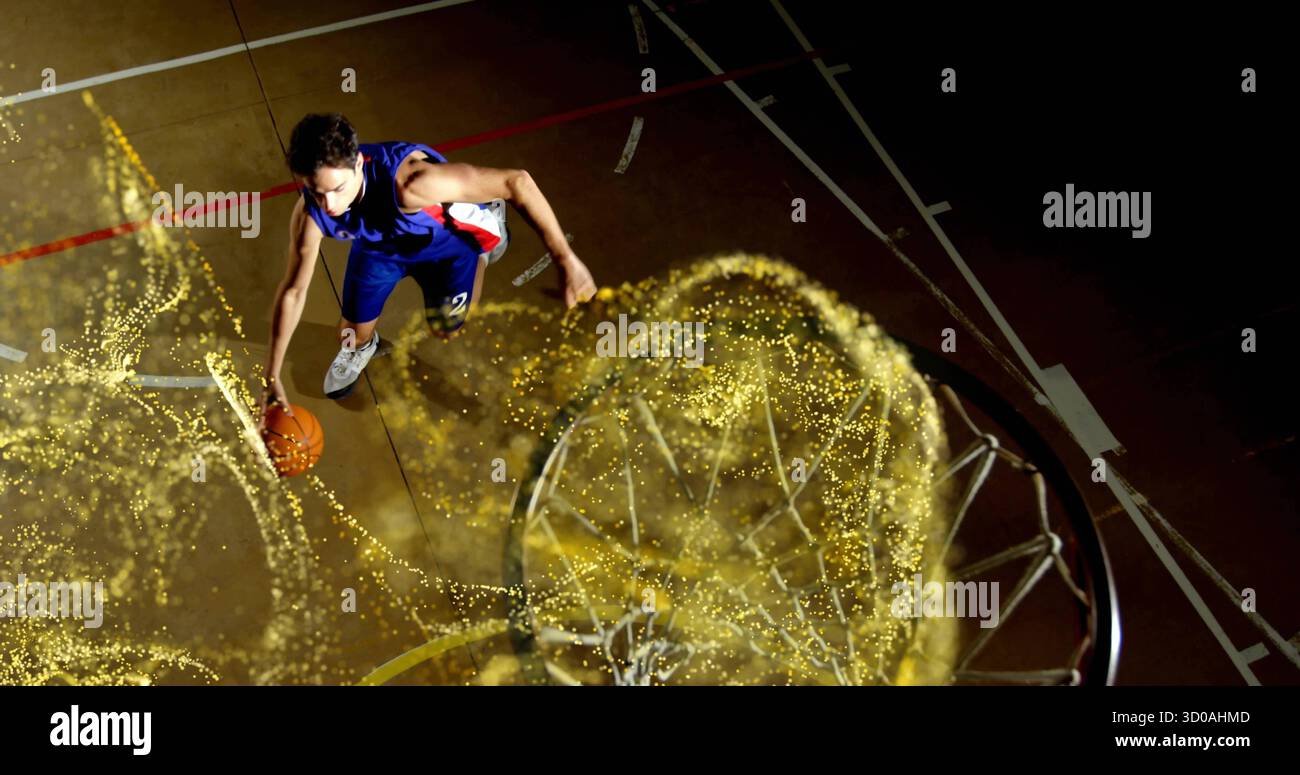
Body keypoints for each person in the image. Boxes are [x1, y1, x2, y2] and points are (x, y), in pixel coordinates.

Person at [259, 113, 596, 424]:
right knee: (350, 334)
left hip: (446, 250)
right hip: (380, 249)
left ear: (358, 163)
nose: (329, 205)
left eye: (337, 189)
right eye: (317, 193)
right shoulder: (311, 213)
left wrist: (566, 259)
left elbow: (516, 182)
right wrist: (272, 376)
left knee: (447, 328)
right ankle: (366, 347)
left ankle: (485, 238)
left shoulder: (413, 182)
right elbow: (294, 291)